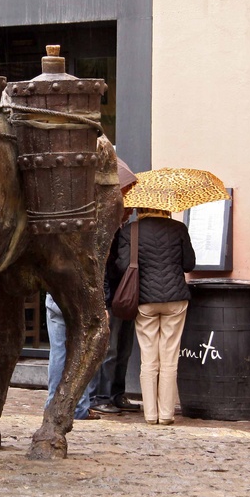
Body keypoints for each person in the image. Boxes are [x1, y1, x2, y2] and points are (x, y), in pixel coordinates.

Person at [110, 207, 196, 425]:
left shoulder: (131, 231)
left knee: (148, 358)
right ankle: (166, 414)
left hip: (145, 301)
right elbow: (189, 265)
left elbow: (121, 266)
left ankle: (150, 415)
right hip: (175, 299)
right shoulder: (178, 228)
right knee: (169, 357)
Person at [91, 157, 140, 416]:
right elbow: (106, 269)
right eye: (125, 205)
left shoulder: (124, 231)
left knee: (124, 348)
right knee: (109, 350)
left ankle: (117, 393)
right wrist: (104, 301)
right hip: (112, 297)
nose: (129, 209)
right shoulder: (106, 229)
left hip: (126, 296)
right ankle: (102, 395)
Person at [45, 292, 98, 420]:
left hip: (56, 294)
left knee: (58, 352)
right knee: (81, 352)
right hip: (79, 295)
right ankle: (79, 407)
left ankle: (52, 404)